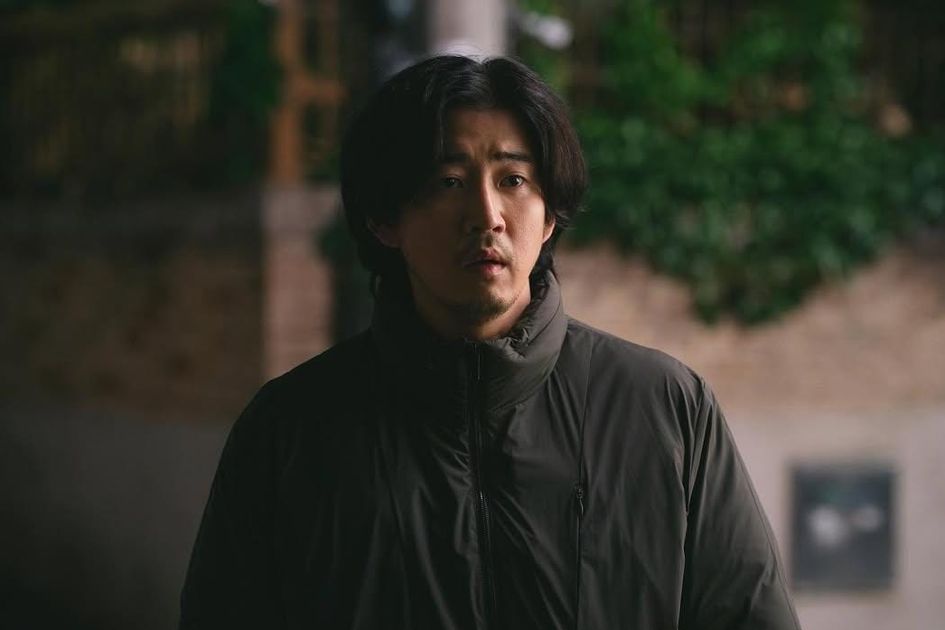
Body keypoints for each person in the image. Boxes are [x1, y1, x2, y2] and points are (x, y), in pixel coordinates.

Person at [180, 55, 800, 630]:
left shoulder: (664, 408)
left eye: (514, 179)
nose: (487, 215)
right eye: (449, 181)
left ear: (550, 213)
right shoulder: (291, 430)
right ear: (385, 218)